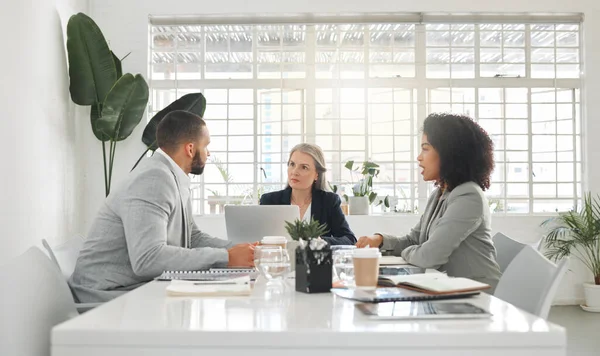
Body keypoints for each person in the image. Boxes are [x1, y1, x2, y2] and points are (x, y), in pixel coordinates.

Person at [69, 110, 255, 303]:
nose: (209, 153)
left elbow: (192, 237)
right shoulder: (154, 178)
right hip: (105, 295)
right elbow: (148, 259)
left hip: (129, 287)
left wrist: (244, 251)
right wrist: (226, 257)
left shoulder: (171, 176)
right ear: (190, 149)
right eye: (206, 146)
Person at [356, 113, 502, 292]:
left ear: (449, 153)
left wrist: (409, 251)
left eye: (425, 149)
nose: (419, 157)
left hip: (477, 295)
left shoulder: (468, 196)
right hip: (447, 288)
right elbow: (415, 240)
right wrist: (380, 241)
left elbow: (428, 257)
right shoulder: (440, 194)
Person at [260, 143, 356, 245]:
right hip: (279, 259)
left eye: (304, 167)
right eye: (292, 164)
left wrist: (321, 241)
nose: (295, 172)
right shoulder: (269, 201)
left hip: (315, 260)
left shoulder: (328, 201)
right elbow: (258, 238)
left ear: (316, 175)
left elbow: (350, 239)